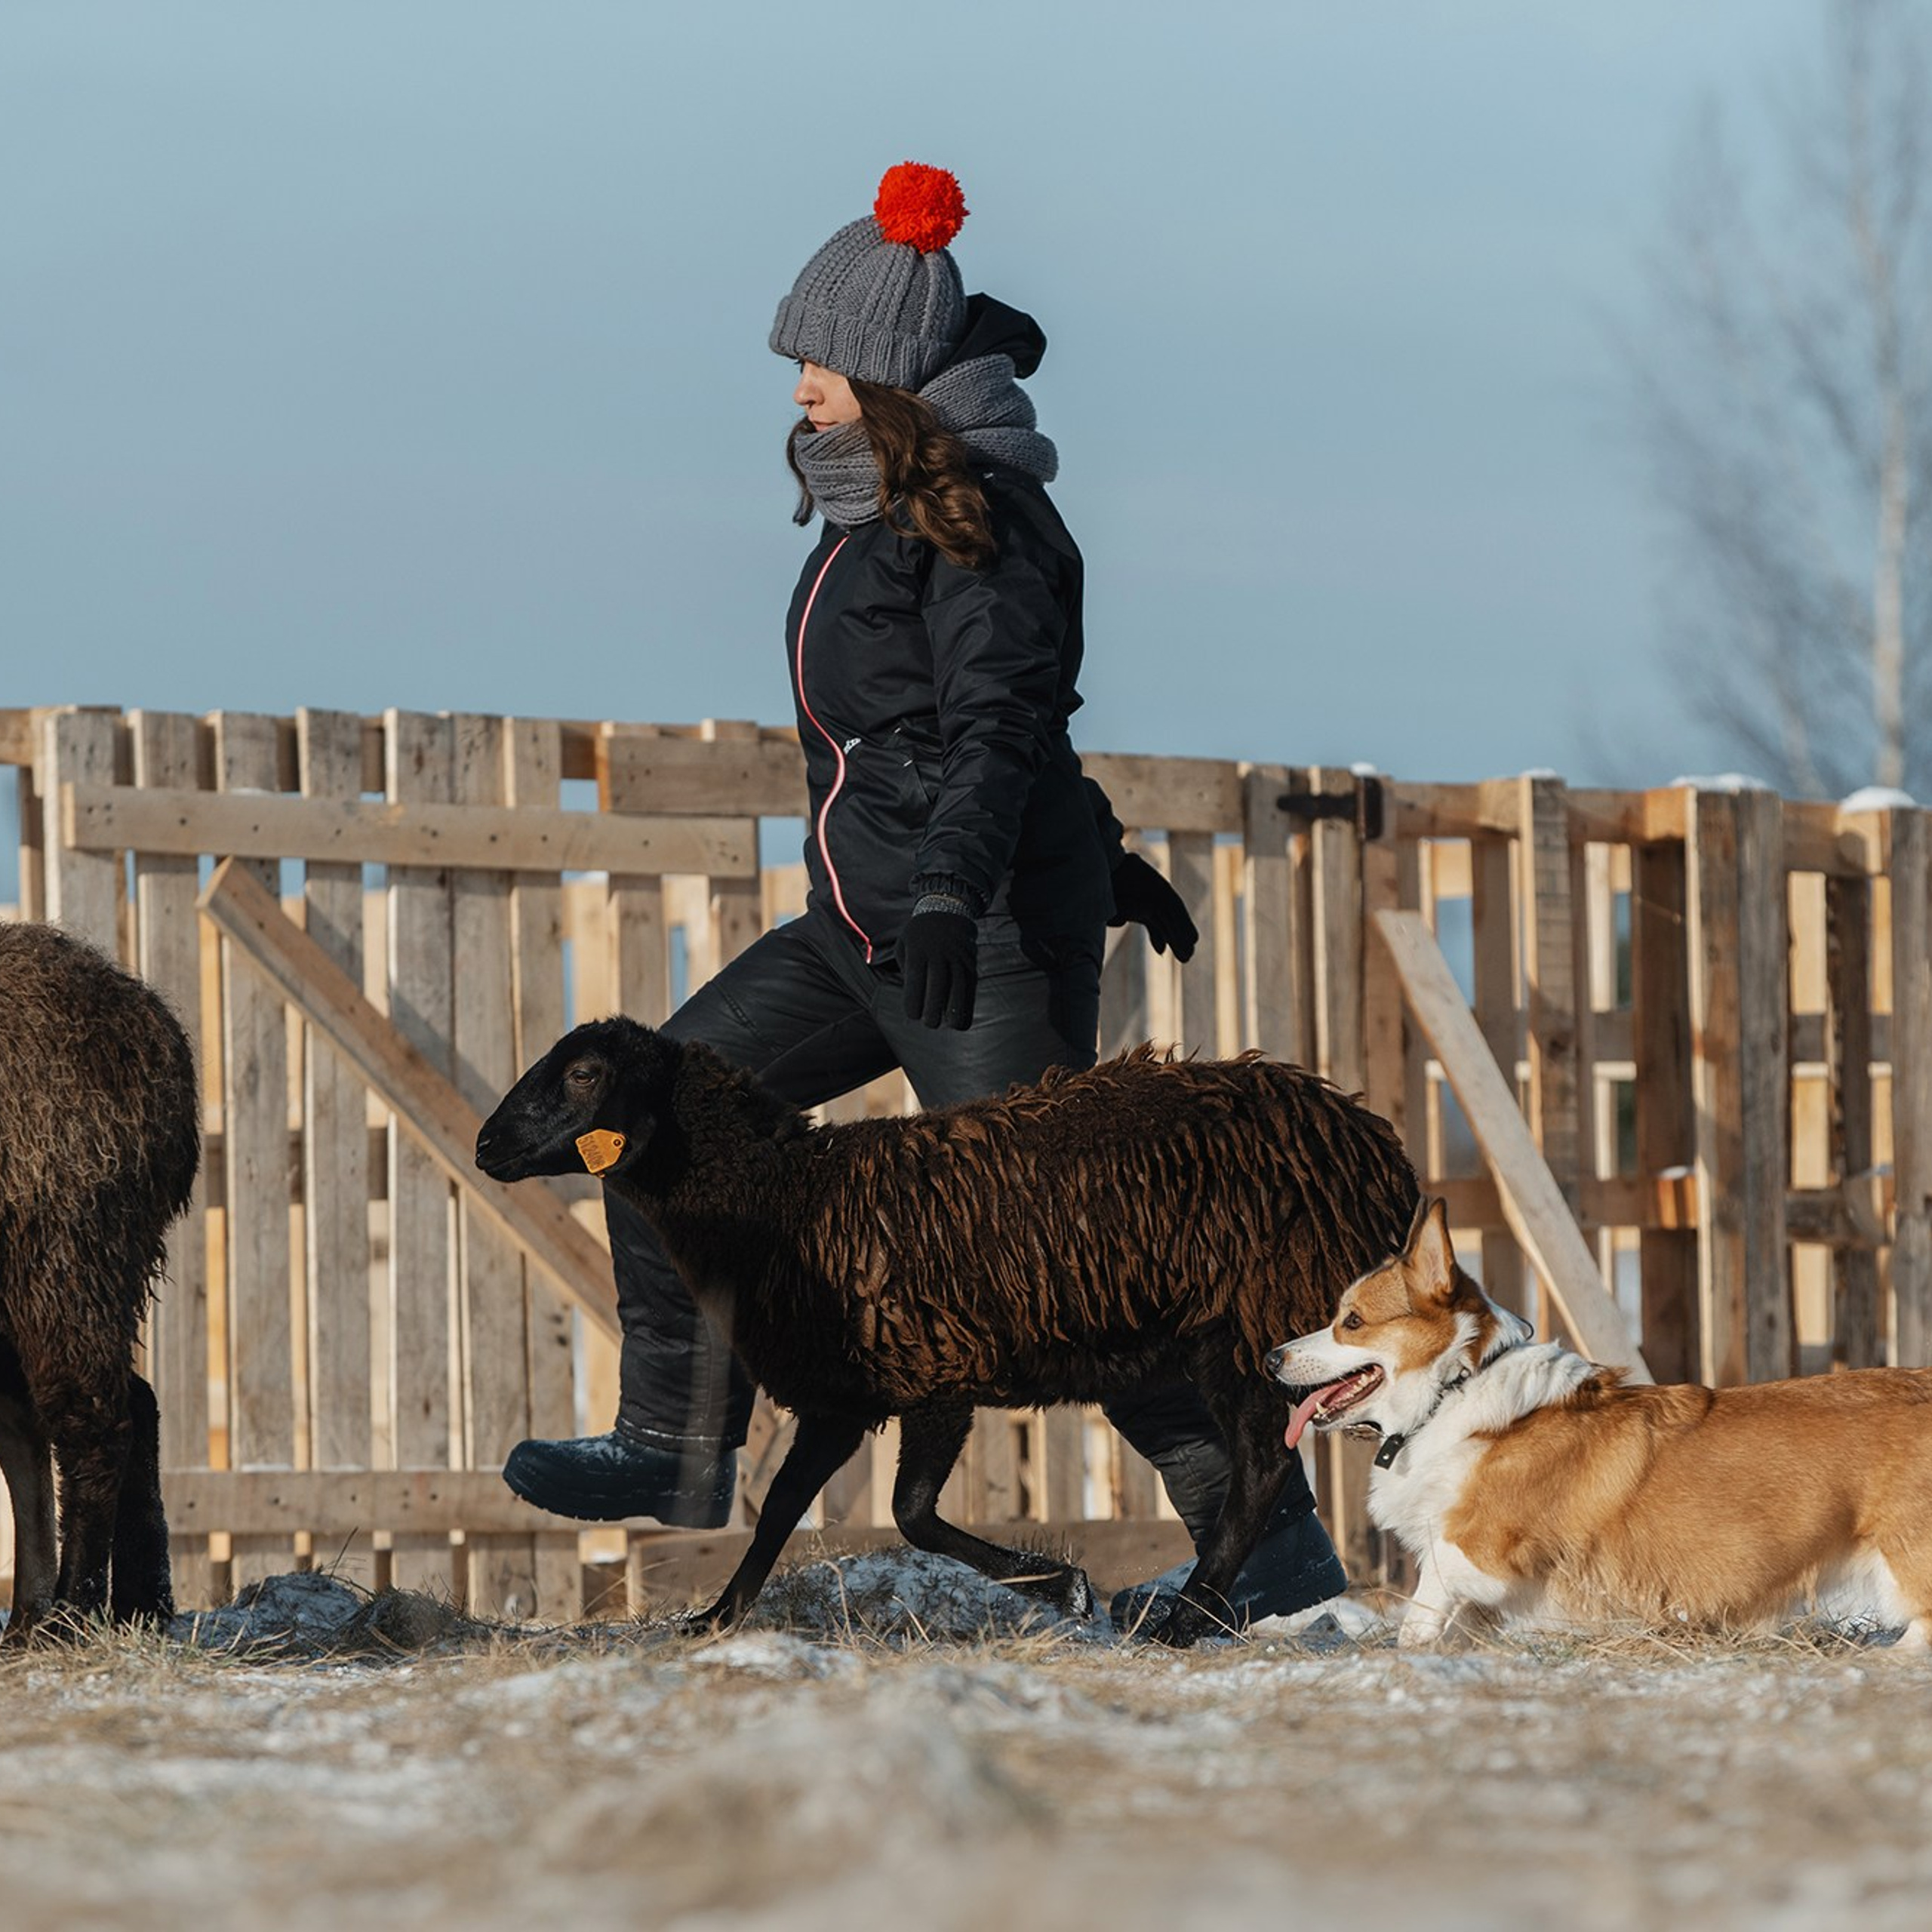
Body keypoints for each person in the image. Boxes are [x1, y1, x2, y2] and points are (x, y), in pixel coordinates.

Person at [503, 162, 1345, 1626]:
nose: (797, 388)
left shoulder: (984, 522)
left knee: (1067, 1263)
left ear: (886, 375)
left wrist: (979, 885)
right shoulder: (863, 514)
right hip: (855, 930)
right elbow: (946, 741)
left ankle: (1273, 1554)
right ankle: (673, 1438)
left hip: (972, 946)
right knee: (650, 1115)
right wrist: (1091, 846)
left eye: (817, 363)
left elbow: (999, 721)